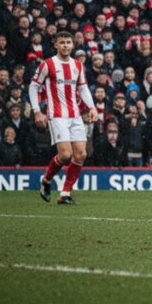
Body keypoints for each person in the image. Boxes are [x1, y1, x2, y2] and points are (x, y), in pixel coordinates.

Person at [29, 31, 98, 205]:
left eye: (68, 42)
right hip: (57, 115)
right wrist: (37, 111)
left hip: (75, 115)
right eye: (62, 42)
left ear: (73, 45)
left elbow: (83, 88)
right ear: (56, 45)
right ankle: (46, 180)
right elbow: (33, 86)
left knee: (81, 154)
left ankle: (65, 194)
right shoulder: (47, 64)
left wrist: (92, 107)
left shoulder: (78, 65)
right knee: (66, 156)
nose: (65, 45)